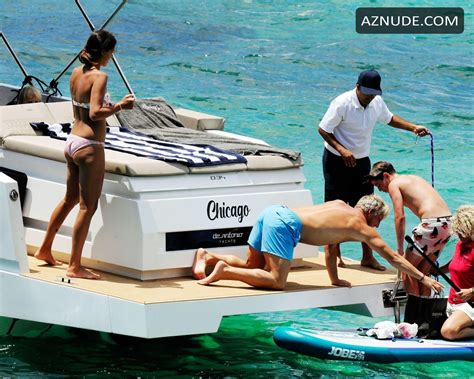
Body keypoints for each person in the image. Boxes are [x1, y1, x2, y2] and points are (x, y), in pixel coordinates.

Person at [34, 30, 135, 279]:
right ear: (103, 52)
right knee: (86, 207)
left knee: (70, 199)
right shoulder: (100, 76)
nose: (113, 56)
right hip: (90, 145)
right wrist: (121, 105)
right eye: (112, 51)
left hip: (72, 141)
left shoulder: (76, 73)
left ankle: (45, 249)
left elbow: (83, 108)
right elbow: (95, 113)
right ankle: (75, 266)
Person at [192, 194, 443, 294]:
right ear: (370, 212)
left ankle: (209, 257)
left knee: (252, 265)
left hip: (272, 211)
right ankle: (225, 271)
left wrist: (333, 279)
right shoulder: (360, 226)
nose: (377, 226)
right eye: (379, 219)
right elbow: (394, 258)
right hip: (285, 224)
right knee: (277, 282)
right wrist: (423, 278)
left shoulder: (339, 205)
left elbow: (330, 247)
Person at [318, 69, 430, 272]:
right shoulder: (342, 103)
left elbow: (389, 118)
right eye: (367, 92)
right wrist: (342, 150)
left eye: (374, 93)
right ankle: (335, 257)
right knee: (336, 208)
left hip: (361, 162)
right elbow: (323, 129)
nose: (370, 97)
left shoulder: (376, 102)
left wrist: (412, 127)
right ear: (358, 87)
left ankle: (367, 257)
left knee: (367, 208)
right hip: (336, 161)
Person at [367, 161, 451, 296]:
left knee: (407, 269)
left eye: (378, 184)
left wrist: (399, 248)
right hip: (447, 225)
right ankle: (426, 315)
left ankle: (415, 315)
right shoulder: (414, 178)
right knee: (423, 273)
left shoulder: (394, 184)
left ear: (386, 176)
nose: (380, 189)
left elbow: (399, 216)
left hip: (431, 224)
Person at [439, 205, 474, 341]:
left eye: (462, 232)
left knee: (448, 332)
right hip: (453, 302)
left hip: (470, 303)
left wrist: (471, 291)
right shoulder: (460, 244)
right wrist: (428, 273)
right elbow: (454, 265)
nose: (459, 235)